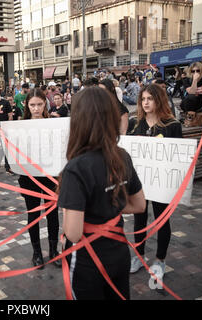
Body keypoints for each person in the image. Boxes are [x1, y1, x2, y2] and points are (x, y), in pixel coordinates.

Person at [57, 86, 145, 300]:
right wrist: (109, 204)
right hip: (118, 252)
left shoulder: (76, 168)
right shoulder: (122, 156)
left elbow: (74, 233)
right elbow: (139, 205)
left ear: (79, 120)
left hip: (87, 261)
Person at [128, 84, 182, 283]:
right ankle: (139, 255)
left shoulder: (172, 125)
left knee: (161, 220)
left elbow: (179, 156)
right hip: (140, 184)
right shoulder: (135, 124)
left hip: (162, 184)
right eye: (143, 99)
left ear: (159, 100)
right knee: (139, 220)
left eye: (150, 98)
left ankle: (160, 260)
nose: (146, 102)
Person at [18, 88, 61, 269]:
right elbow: (14, 153)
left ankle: (53, 250)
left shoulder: (55, 123)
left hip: (51, 176)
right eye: (32, 105)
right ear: (27, 105)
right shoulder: (20, 125)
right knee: (33, 214)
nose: (36, 108)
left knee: (52, 214)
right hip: (29, 177)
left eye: (39, 104)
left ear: (45, 104)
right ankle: (36, 253)